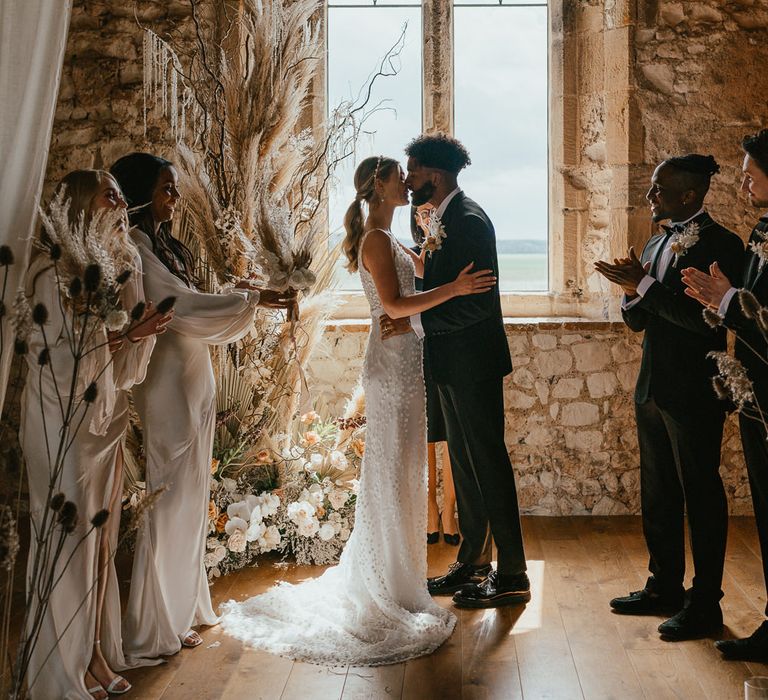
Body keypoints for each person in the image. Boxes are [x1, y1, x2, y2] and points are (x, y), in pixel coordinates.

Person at [218, 154, 494, 665]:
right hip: (390, 366)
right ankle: (387, 586)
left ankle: (400, 578)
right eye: (398, 178)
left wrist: (432, 239)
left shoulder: (389, 238)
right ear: (380, 186)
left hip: (406, 359)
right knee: (389, 470)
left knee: (402, 469)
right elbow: (393, 306)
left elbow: (422, 272)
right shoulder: (374, 240)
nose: (407, 184)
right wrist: (455, 290)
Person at [109, 153, 294, 661]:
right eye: (167, 188)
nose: (174, 197)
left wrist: (247, 295)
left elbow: (193, 296)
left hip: (193, 371)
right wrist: (250, 303)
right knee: (167, 494)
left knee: (191, 492)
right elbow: (179, 307)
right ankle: (154, 623)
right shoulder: (134, 246)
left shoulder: (167, 244)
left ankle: (186, 606)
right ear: (142, 191)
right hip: (166, 374)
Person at [21, 170, 170, 699]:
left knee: (101, 543)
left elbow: (124, 369)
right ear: (82, 201)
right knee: (68, 543)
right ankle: (60, 663)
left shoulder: (105, 268)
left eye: (123, 195)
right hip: (58, 420)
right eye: (110, 193)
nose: (122, 202)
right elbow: (63, 358)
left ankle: (93, 652)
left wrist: (137, 322)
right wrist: (126, 331)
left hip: (101, 414)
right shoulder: (50, 273)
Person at [595, 154, 744, 640]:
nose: (649, 196)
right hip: (653, 386)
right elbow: (641, 321)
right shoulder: (658, 241)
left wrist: (643, 283)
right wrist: (630, 289)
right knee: (658, 490)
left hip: (696, 390)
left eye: (659, 189)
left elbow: (701, 318)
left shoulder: (724, 245)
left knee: (700, 492)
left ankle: (706, 603)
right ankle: (664, 587)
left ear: (690, 195)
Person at [382, 133, 529, 609]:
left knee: (488, 462)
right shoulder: (438, 219)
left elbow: (477, 306)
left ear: (435, 176)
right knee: (465, 467)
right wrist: (420, 268)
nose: (407, 179)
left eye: (413, 171)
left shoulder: (466, 220)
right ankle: (473, 561)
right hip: (451, 362)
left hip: (472, 363)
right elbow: (447, 286)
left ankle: (512, 574)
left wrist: (414, 317)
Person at [681, 130, 768, 659]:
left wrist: (731, 299)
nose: (742, 179)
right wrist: (723, 304)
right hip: (759, 394)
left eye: (751, 171)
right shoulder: (762, 228)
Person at [410, 204, 460, 546]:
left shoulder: (453, 254)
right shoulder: (410, 255)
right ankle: (429, 507)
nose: (429, 217)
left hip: (449, 348)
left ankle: (451, 511)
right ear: (416, 219)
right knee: (427, 435)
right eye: (423, 213)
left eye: (433, 212)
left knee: (452, 437)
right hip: (417, 350)